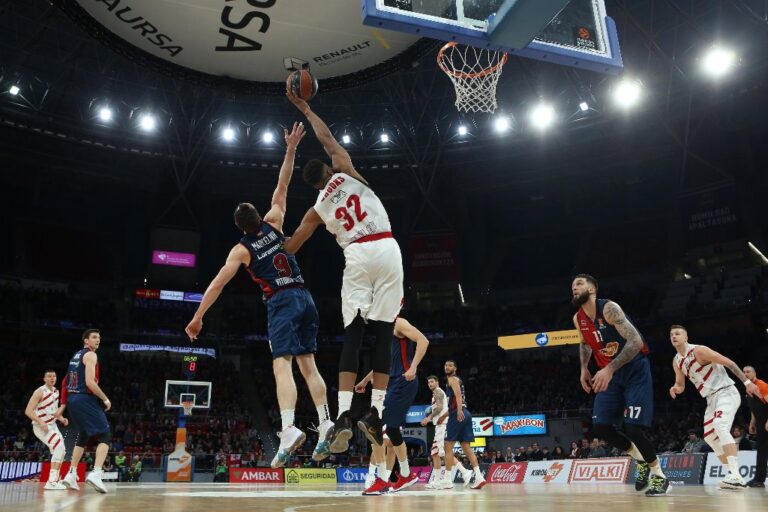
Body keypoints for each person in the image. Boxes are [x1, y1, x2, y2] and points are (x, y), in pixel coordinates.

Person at [184, 123, 334, 466]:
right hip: (305, 296)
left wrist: (197, 317)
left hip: (281, 302)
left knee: (282, 364)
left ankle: (289, 428)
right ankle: (325, 420)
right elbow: (283, 183)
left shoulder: (241, 251)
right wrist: (291, 148)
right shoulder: (275, 219)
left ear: (240, 227)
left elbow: (217, 284)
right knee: (308, 365)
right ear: (258, 216)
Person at [284, 91, 404, 452]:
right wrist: (306, 109)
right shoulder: (346, 170)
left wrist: (270, 238)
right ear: (328, 168)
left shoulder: (316, 209)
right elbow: (327, 138)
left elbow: (292, 246)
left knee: (353, 335)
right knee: (384, 333)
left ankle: (344, 416)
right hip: (387, 247)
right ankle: (377, 413)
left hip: (357, 255)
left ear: (313, 185)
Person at [571, 274, 669, 496]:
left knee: (632, 427)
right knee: (601, 427)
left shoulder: (609, 309)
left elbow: (636, 342)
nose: (574, 288)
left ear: (592, 289)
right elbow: (585, 343)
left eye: (579, 284)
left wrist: (609, 368)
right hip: (611, 374)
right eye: (572, 286)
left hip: (634, 369)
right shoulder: (578, 318)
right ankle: (640, 460)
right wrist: (584, 368)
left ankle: (661, 477)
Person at [668, 324, 760, 489]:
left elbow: (730, 363)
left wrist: (747, 382)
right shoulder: (677, 361)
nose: (674, 336)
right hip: (711, 399)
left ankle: (736, 475)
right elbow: (680, 384)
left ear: (686, 337)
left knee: (720, 425)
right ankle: (732, 475)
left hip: (726, 391)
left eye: (677, 333)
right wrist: (676, 388)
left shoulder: (700, 351)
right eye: (671, 334)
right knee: (710, 437)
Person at [356, 318, 428, 495]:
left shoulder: (398, 322)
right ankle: (406, 475)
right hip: (394, 383)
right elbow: (383, 365)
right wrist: (365, 381)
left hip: (403, 382)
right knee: (392, 430)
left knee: (372, 424)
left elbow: (423, 340)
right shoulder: (385, 332)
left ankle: (381, 480)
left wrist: (413, 367)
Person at [60, 329, 112, 493]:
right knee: (105, 434)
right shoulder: (90, 355)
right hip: (84, 398)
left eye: (99, 337)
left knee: (83, 435)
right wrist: (105, 398)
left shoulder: (76, 356)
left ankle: (71, 474)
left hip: (72, 399)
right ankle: (96, 473)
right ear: (86, 341)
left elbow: (64, 382)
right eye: (94, 337)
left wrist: (63, 405)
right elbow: (90, 382)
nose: (98, 340)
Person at [435, 360, 486, 490]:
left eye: (450, 365)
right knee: (466, 446)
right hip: (465, 413)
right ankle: (479, 477)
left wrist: (458, 411)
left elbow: (458, 396)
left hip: (459, 414)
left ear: (455, 368)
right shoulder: (455, 380)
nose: (447, 367)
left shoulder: (452, 379)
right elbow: (455, 403)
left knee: (447, 446)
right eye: (446, 365)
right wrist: (443, 416)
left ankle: (447, 480)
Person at [421, 375, 472, 489]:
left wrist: (428, 417)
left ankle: (463, 472)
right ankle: (438, 480)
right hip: (440, 426)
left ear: (437, 382)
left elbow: (439, 408)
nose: (430, 384)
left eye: (432, 382)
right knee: (436, 453)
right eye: (428, 382)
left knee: (441, 453)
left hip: (442, 426)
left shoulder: (438, 392)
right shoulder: (437, 393)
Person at [24, 369, 68, 490]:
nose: (52, 378)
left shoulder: (56, 391)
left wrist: (62, 419)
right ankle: (51, 481)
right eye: (49, 376)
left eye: (54, 376)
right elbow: (28, 411)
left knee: (62, 451)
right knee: (59, 447)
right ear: (44, 379)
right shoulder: (39, 391)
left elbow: (54, 410)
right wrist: (41, 421)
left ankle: (55, 480)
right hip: (41, 426)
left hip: (52, 425)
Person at [743, 365, 768, 487]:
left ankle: (759, 479)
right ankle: (759, 480)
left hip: (766, 421)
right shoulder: (748, 389)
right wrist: (752, 423)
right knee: (762, 451)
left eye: (748, 371)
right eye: (744, 372)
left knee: (762, 450)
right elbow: (754, 409)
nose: (745, 374)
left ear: (754, 373)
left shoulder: (761, 385)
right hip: (760, 422)